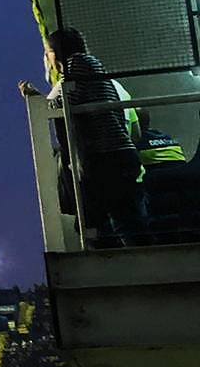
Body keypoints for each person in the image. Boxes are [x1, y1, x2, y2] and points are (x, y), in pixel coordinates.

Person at [21, 27, 147, 245]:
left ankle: (124, 267)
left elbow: (64, 104)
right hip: (120, 154)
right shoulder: (94, 68)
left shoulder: (76, 66)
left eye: (48, 51)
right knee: (124, 219)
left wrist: (35, 98)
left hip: (104, 157)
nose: (47, 57)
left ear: (57, 52)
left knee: (96, 223)